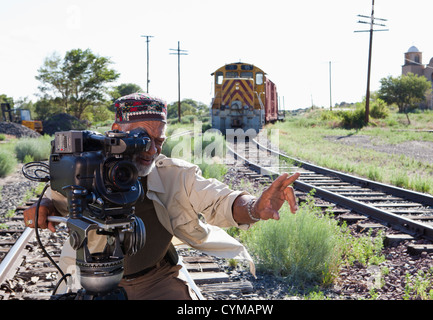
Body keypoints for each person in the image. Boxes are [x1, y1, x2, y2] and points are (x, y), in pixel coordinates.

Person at [23, 92, 300, 300]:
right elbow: (54, 197)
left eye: (159, 142)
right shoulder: (84, 169)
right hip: (88, 282)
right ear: (116, 132)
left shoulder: (174, 174)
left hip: (155, 282)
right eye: (142, 139)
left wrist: (255, 206)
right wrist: (44, 206)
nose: (151, 151)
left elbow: (221, 201)